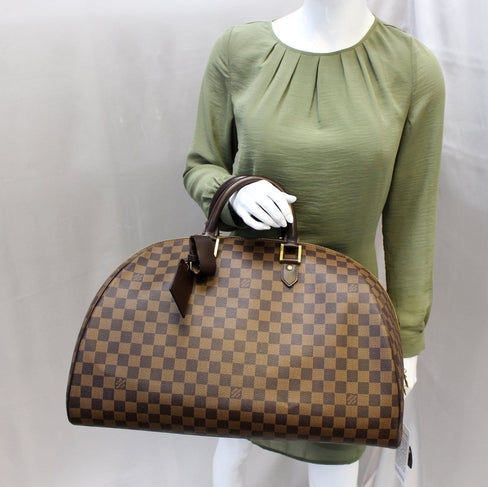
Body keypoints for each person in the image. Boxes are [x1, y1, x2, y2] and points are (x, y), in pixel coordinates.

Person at [183, 1, 445, 485]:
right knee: (232, 449)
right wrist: (233, 192)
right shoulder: (239, 51)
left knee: (335, 462)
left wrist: (405, 341)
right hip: (246, 307)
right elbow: (201, 165)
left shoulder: (411, 69)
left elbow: (411, 218)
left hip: (344, 323)